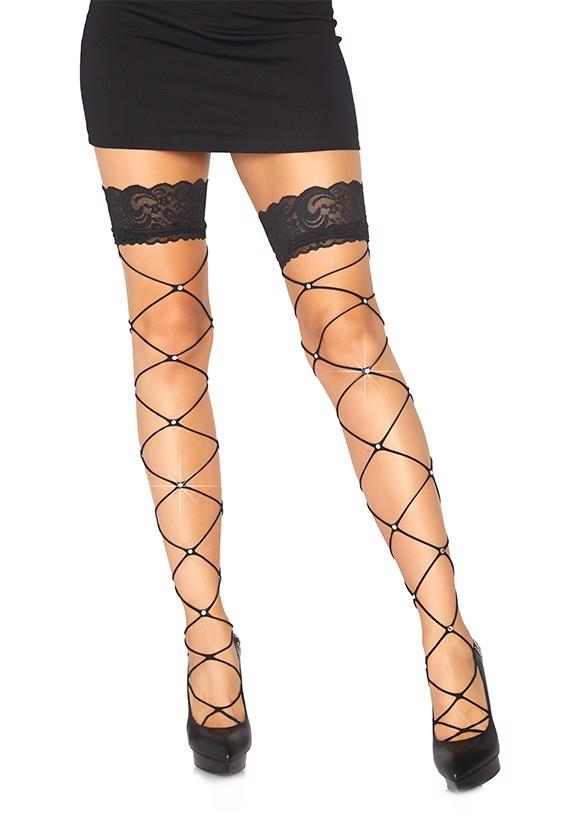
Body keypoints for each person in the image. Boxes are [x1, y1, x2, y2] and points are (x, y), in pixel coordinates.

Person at [80, 0, 500, 789]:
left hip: (282, 29)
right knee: (167, 327)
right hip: (141, 30)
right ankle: (206, 637)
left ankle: (447, 636)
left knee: (347, 331)